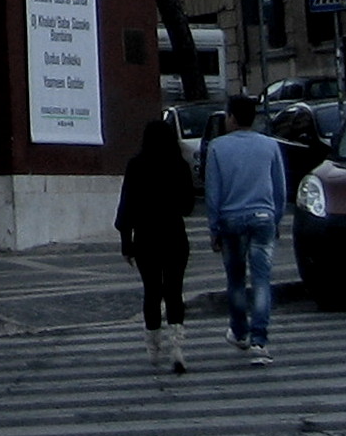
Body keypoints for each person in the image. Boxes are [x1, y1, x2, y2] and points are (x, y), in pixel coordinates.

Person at [203, 93, 288, 365]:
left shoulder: (217, 147)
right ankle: (260, 341)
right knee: (262, 279)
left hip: (231, 220)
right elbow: (280, 188)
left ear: (231, 117)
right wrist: (275, 220)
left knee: (236, 280)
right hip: (263, 216)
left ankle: (240, 332)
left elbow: (212, 193)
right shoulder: (270, 145)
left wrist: (214, 227)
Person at [116, 118, 196, 374]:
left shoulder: (136, 165)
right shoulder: (180, 165)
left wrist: (126, 242)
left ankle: (153, 347)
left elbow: (126, 205)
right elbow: (188, 206)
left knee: (152, 291)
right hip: (174, 234)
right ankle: (177, 346)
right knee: (174, 290)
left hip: (146, 237)